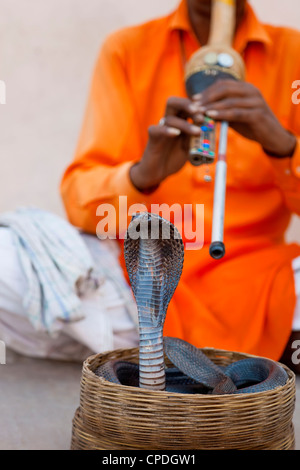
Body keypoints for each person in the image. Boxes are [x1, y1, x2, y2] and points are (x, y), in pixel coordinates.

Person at [61, 0, 300, 371]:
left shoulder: (293, 53)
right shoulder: (127, 49)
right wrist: (145, 173)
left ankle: (145, 355)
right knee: (11, 256)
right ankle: (255, 355)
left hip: (261, 280)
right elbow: (80, 202)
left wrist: (283, 145)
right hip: (142, 274)